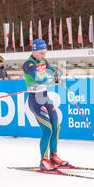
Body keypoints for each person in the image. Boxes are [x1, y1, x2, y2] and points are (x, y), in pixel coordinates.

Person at [23, 38, 68, 171]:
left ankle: (53, 156)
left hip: (45, 97)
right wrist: (49, 78)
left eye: (45, 52)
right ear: (34, 51)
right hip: (35, 100)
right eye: (41, 53)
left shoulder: (44, 61)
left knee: (56, 126)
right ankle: (43, 160)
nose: (44, 55)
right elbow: (37, 77)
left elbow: (52, 71)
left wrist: (57, 77)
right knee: (47, 129)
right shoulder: (28, 64)